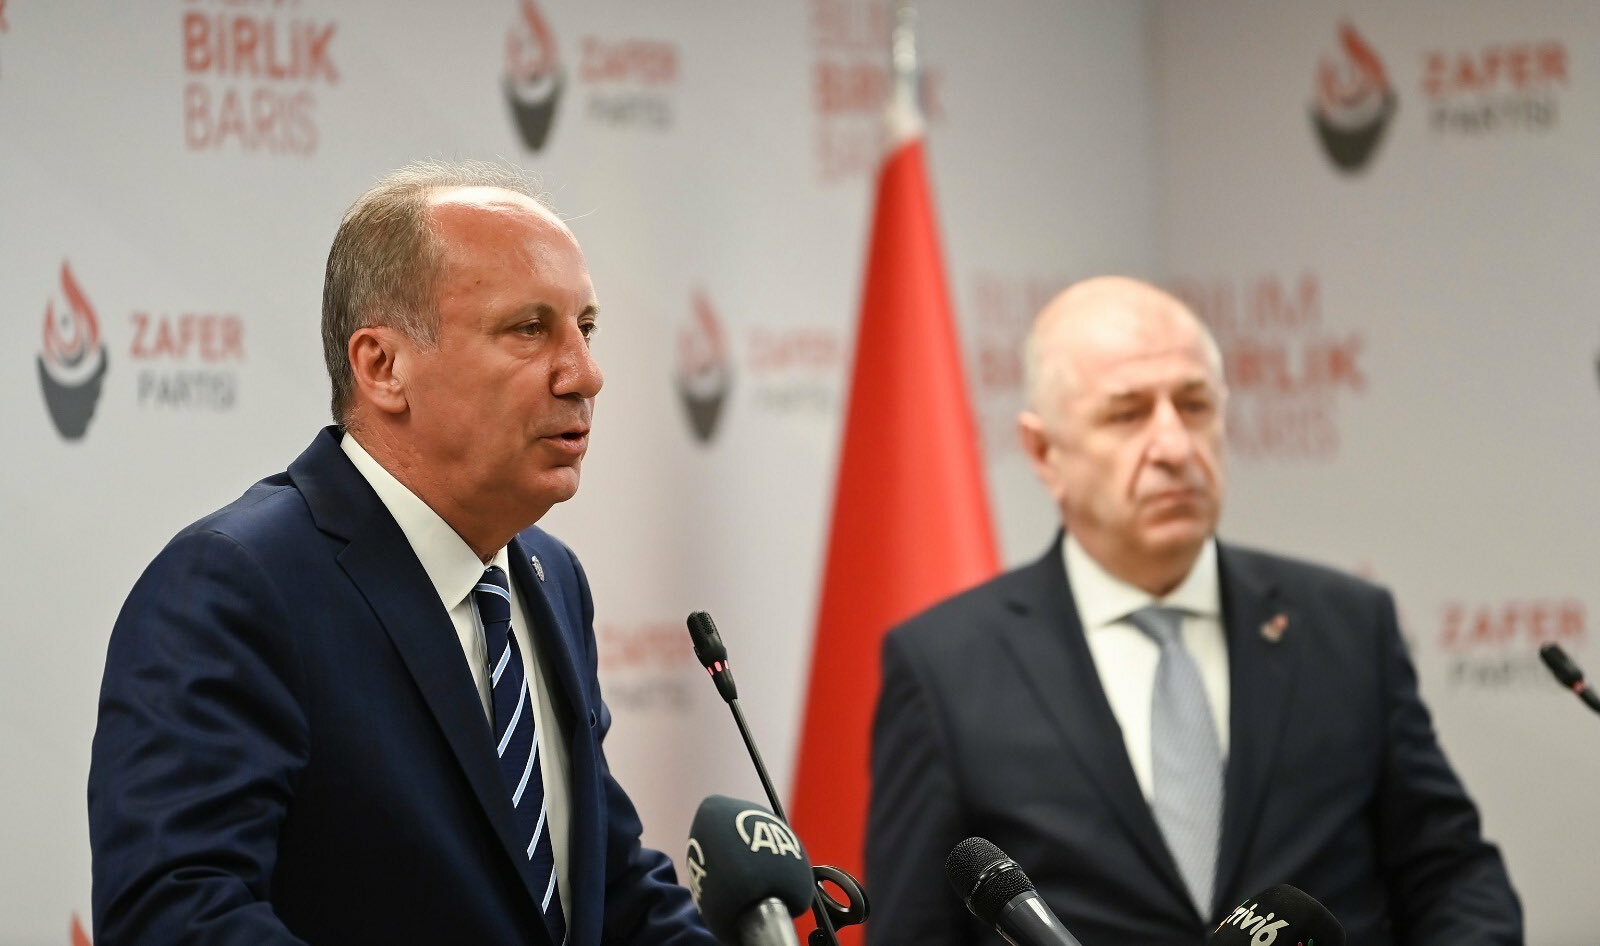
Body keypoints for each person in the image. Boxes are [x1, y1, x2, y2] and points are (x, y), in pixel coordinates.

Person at [88, 161, 716, 946]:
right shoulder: (236, 587)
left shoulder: (551, 577)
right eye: (529, 329)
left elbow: (606, 884)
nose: (585, 374)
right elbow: (177, 917)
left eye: (584, 328)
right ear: (383, 367)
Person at [865, 276, 1521, 945]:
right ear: (1043, 451)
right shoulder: (945, 665)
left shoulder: (1347, 625)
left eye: (1195, 404)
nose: (1176, 447)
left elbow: (1454, 877)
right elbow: (911, 931)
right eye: (1127, 413)